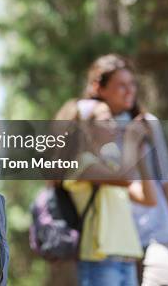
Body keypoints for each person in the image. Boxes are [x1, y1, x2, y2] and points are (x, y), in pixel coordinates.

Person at [83, 54, 168, 286]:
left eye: (132, 84)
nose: (129, 91)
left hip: (156, 231)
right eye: (121, 85)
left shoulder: (147, 124)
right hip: (114, 237)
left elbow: (166, 180)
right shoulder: (91, 127)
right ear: (100, 88)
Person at [62, 98, 156, 286]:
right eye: (106, 120)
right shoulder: (82, 165)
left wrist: (140, 154)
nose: (114, 125)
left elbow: (148, 199)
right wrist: (130, 139)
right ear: (87, 128)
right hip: (100, 260)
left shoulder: (110, 166)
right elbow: (125, 177)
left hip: (127, 259)